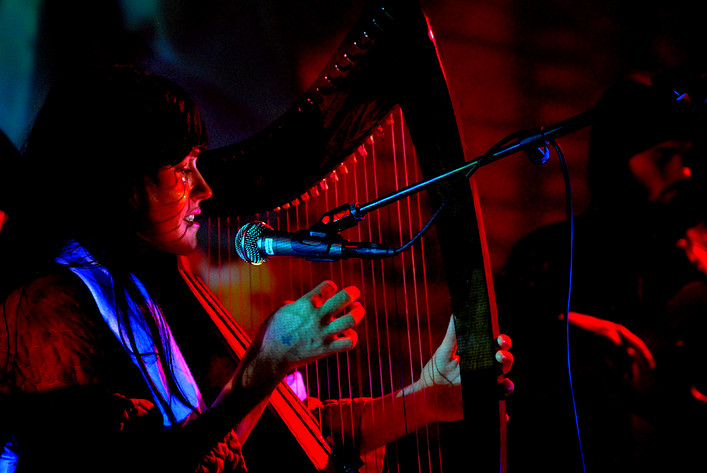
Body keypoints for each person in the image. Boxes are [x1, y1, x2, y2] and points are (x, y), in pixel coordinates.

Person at [0, 65, 512, 473]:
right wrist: (263, 367)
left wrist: (421, 399)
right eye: (182, 172)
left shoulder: (140, 288)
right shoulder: (46, 307)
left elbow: (270, 440)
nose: (204, 190)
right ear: (116, 184)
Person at [495, 78, 702, 472]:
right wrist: (562, 331)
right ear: (615, 162)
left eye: (686, 156)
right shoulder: (548, 254)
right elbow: (495, 368)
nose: (685, 172)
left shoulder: (693, 267)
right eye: (663, 157)